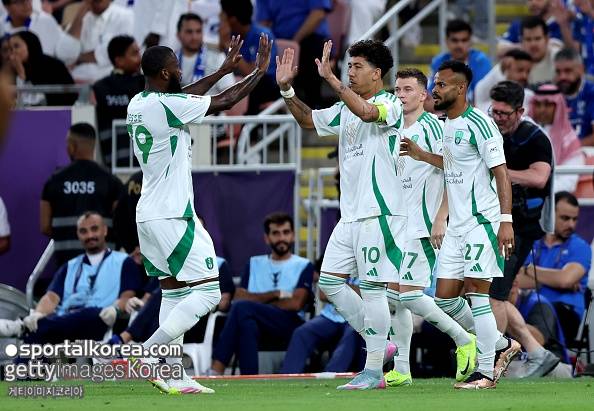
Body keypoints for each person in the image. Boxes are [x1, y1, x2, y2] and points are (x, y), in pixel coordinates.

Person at [126, 33, 272, 394]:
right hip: (173, 214)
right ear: (164, 73)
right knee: (209, 292)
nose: (181, 71)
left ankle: (175, 374)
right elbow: (226, 100)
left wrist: (222, 70)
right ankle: (146, 354)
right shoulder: (167, 105)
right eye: (176, 67)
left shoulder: (140, 102)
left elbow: (184, 96)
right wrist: (258, 72)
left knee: (174, 293)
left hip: (148, 214)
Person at [277, 39, 402, 390]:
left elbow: (368, 114)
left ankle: (373, 371)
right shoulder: (344, 108)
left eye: (357, 66)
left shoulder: (390, 103)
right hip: (350, 216)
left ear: (377, 73)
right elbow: (308, 120)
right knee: (330, 283)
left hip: (379, 213)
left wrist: (332, 80)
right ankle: (379, 342)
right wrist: (286, 90)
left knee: (373, 290)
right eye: (349, 66)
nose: (350, 72)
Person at [402, 60, 515, 389]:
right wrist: (423, 155)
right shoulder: (447, 125)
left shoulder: (481, 124)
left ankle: (486, 372)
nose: (434, 90)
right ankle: (500, 344)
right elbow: (453, 165)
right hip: (457, 226)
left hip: (482, 221)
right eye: (435, 84)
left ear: (461, 88)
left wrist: (505, 221)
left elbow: (501, 173)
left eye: (441, 85)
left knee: (478, 295)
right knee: (445, 299)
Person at [384, 68, 477, 387]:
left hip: (424, 224)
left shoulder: (435, 127)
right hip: (397, 223)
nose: (401, 95)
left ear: (423, 95)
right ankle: (402, 369)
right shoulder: (393, 127)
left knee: (409, 296)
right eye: (397, 90)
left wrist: (441, 217)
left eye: (408, 89)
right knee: (393, 297)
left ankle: (465, 339)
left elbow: (456, 169)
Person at [487, 80, 560, 376]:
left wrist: (500, 172)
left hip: (520, 227)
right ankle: (537, 352)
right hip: (495, 221)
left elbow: (540, 177)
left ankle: (492, 366)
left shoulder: (535, 138)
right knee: (488, 293)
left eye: (504, 113)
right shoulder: (491, 131)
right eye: (495, 112)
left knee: (494, 295)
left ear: (520, 111)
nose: (499, 118)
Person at [0, 212, 142, 344]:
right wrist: (37, 314)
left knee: (88, 313)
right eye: (83, 231)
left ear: (105, 230)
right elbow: (51, 298)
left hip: (100, 319)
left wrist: (115, 309)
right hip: (65, 320)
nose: (90, 235)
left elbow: (127, 296)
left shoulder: (124, 261)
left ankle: (22, 327)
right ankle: (27, 336)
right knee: (33, 340)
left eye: (94, 229)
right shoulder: (69, 266)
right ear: (78, 234)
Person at [210, 212, 314, 375]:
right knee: (247, 323)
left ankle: (216, 369)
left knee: (243, 309)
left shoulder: (304, 265)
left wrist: (255, 301)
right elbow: (238, 297)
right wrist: (275, 294)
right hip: (257, 323)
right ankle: (250, 380)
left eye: (286, 232)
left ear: (293, 236)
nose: (281, 238)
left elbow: (295, 303)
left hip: (288, 323)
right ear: (267, 238)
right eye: (276, 233)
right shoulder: (254, 263)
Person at [40, 122, 123, 267]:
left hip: (66, 265)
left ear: (72, 146)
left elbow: (45, 226)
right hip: (104, 265)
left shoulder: (54, 181)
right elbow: (121, 224)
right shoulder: (111, 181)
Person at [516, 191, 592, 348]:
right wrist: (554, 279)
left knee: (535, 314)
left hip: (564, 311)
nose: (571, 225)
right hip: (528, 306)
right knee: (507, 308)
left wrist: (529, 270)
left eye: (575, 219)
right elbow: (516, 280)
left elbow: (565, 280)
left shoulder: (580, 246)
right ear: (550, 215)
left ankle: (532, 349)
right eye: (565, 218)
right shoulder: (532, 242)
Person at [257, 0, 331, 108]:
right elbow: (263, 23)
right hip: (278, 41)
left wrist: (294, 41)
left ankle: (313, 106)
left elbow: (318, 14)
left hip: (309, 38)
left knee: (310, 54)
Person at [92, 35, 144, 168]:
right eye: (134, 54)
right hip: (116, 165)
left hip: (143, 164)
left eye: (139, 53)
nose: (139, 58)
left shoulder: (145, 83)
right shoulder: (100, 88)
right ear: (119, 61)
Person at [220, 0, 278, 114]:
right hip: (239, 82)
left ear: (232, 19)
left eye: (222, 15)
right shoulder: (230, 33)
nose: (220, 18)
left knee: (254, 83)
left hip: (265, 85)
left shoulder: (262, 36)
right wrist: (222, 40)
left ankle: (244, 123)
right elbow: (220, 61)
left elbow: (253, 73)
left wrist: (228, 45)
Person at [528, 84, 584, 193]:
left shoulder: (569, 141)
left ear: (558, 107)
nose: (542, 110)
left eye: (548, 105)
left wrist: (541, 190)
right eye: (538, 104)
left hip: (553, 194)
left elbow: (568, 182)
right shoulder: (525, 133)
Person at [64, 0, 134, 83]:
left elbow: (112, 52)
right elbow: (65, 53)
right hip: (76, 80)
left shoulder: (124, 16)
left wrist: (78, 58)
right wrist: (79, 16)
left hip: (109, 80)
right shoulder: (83, 17)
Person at [427, 19, 491, 103]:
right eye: (455, 40)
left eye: (464, 40)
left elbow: (481, 97)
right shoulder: (438, 62)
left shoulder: (480, 61)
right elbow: (430, 95)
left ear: (470, 42)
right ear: (447, 41)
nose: (459, 45)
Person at [6, 31, 76, 106]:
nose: (13, 52)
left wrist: (21, 73)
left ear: (30, 45)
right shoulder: (10, 69)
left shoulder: (52, 66)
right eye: (10, 49)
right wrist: (20, 74)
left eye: (16, 46)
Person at [0, 0, 78, 60]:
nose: (26, 4)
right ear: (6, 7)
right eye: (20, 1)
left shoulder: (45, 20)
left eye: (28, 0)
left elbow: (63, 51)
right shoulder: (1, 25)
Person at [175, 13, 234, 92]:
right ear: (178, 35)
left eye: (198, 31)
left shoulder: (218, 57)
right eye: (189, 32)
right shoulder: (170, 60)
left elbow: (230, 93)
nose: (194, 37)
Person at [554, 47, 594, 146]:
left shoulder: (591, 92)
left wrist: (570, 150)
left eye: (568, 71)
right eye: (558, 72)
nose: (562, 77)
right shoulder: (552, 95)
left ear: (581, 69)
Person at [474, 49, 534, 114]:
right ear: (506, 67)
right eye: (520, 70)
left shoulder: (529, 97)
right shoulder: (484, 92)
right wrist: (501, 66)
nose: (524, 76)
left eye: (528, 72)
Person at [521, 16, 561, 87]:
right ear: (522, 41)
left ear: (547, 39)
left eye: (537, 39)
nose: (533, 44)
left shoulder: (558, 59)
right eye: (528, 39)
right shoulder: (514, 63)